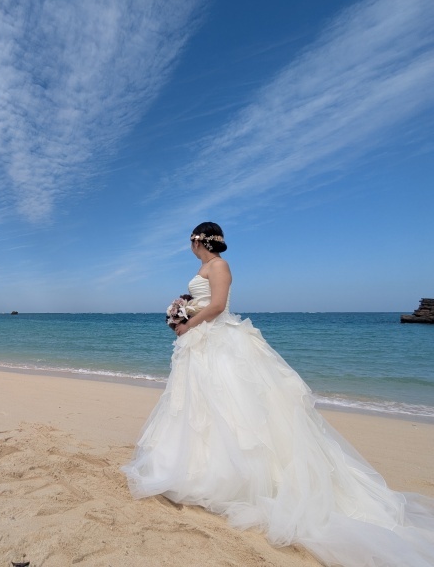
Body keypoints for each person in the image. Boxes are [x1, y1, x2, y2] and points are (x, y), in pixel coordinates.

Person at [121, 222, 434, 567]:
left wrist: (185, 324)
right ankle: (196, 467)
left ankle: (237, 479)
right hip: (202, 341)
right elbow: (202, 301)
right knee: (202, 406)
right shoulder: (203, 268)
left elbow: (219, 306)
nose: (189, 246)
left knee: (231, 404)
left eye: (191, 240)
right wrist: (183, 308)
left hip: (217, 338)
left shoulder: (220, 266)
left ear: (200, 240)